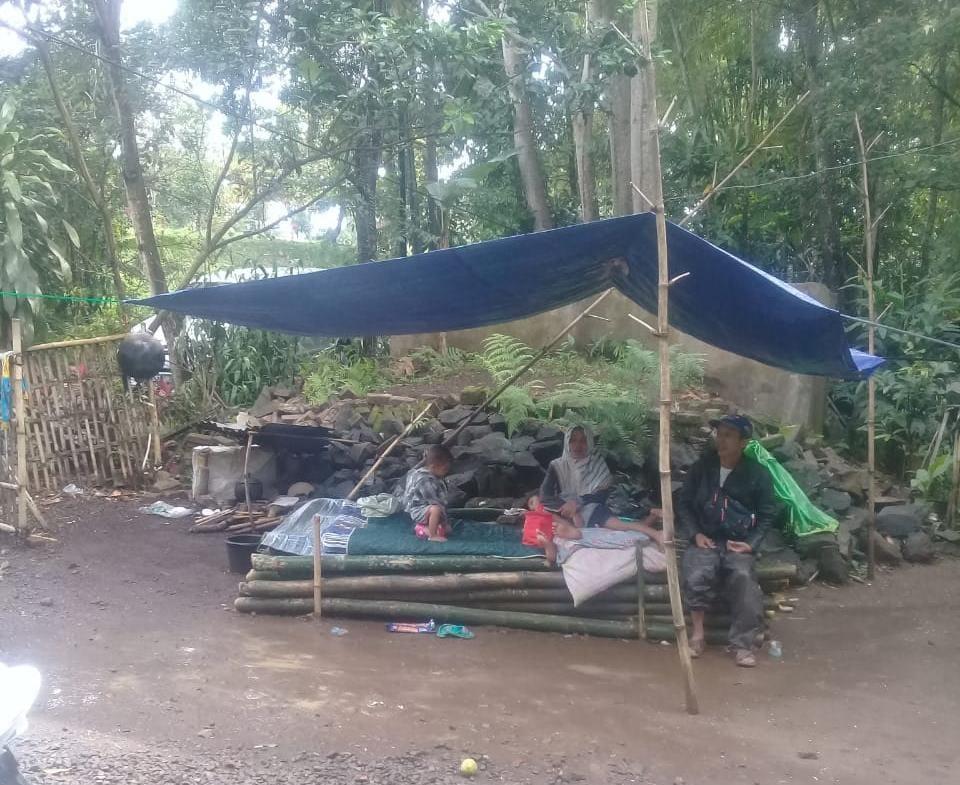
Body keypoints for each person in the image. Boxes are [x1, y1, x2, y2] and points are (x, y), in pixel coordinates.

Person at [677, 414, 776, 667]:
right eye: (719, 434)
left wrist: (751, 544)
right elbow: (684, 504)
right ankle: (698, 635)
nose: (721, 440)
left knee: (743, 577)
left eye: (729, 435)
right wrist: (695, 534)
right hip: (705, 539)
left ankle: (743, 645)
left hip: (738, 542)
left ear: (743, 442)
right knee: (697, 572)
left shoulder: (758, 474)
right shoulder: (702, 468)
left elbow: (767, 515)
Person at [538, 424, 663, 542]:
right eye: (573, 440)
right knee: (625, 529)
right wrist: (567, 506)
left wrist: (578, 502)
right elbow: (545, 496)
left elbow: (601, 495)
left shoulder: (597, 463)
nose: (577, 445)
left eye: (583, 441)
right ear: (567, 442)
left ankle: (657, 535)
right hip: (566, 512)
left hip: (592, 508)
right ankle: (653, 516)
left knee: (621, 526)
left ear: (589, 443)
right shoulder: (556, 465)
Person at [399, 444, 454, 542]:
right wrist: (445, 521)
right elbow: (435, 502)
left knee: (447, 530)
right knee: (436, 509)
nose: (446, 472)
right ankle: (432, 535)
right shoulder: (425, 479)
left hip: (425, 508)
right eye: (445, 469)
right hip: (417, 511)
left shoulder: (432, 475)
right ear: (433, 466)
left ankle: (423, 528)